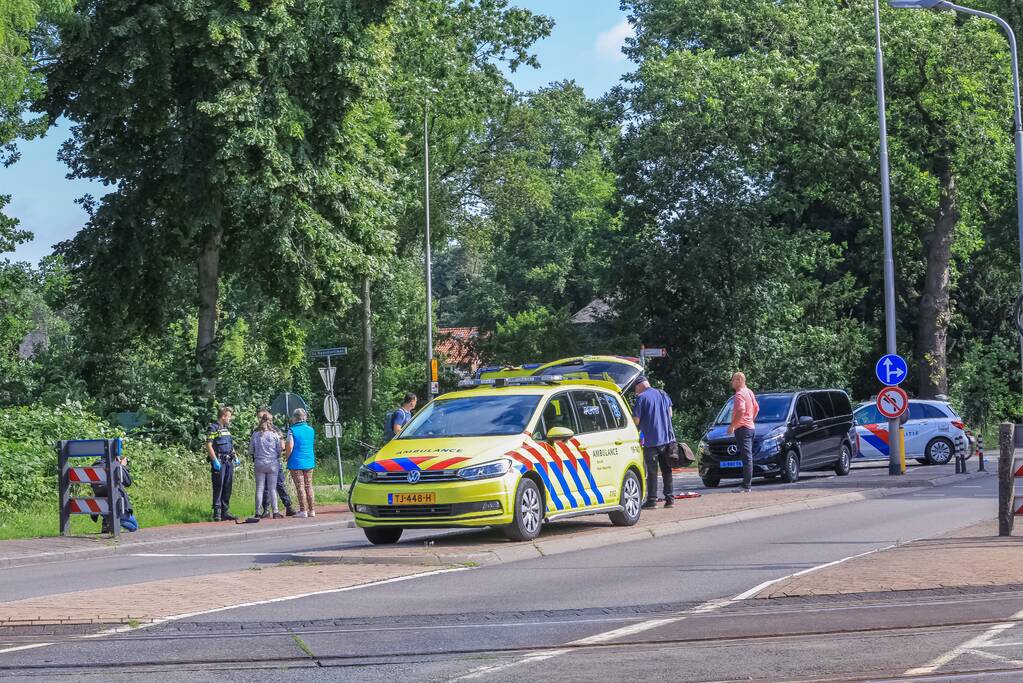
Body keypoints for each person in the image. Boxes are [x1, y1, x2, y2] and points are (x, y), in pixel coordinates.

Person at [632, 376, 677, 509]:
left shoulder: (641, 398)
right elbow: (670, 413)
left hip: (651, 441)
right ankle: (670, 499)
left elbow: (636, 421)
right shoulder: (663, 393)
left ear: (639, 386)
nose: (636, 392)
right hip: (667, 440)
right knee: (667, 470)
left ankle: (652, 500)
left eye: (636, 389)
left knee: (652, 472)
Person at [727, 372, 760, 493]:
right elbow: (756, 407)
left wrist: (732, 426)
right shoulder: (749, 392)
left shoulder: (740, 394)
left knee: (746, 457)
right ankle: (746, 484)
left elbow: (741, 410)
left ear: (740, 380)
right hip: (750, 427)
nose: (732, 382)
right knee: (747, 456)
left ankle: (746, 485)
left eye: (733, 380)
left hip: (742, 428)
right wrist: (750, 419)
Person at [250, 411, 284, 519]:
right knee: (272, 488)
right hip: (272, 463)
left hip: (259, 463)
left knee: (259, 488)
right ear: (270, 421)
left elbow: (250, 450)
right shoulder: (274, 434)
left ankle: (257, 512)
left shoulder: (255, 434)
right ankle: (275, 511)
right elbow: (279, 450)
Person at [206, 406, 238, 521]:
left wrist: (235, 457)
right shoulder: (213, 428)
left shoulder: (226, 429)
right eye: (229, 416)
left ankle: (225, 511)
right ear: (223, 416)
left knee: (227, 486)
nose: (230, 418)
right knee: (218, 486)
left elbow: (230, 445)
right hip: (219, 460)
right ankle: (217, 512)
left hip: (228, 460)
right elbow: (209, 445)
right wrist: (214, 460)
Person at [285, 408, 316, 518]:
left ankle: (303, 510)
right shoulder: (311, 430)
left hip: (296, 462)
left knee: (300, 486)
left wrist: (287, 458)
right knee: (309, 485)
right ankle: (312, 510)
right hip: (309, 460)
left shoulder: (292, 430)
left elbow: (290, 446)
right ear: (305, 417)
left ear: (294, 418)